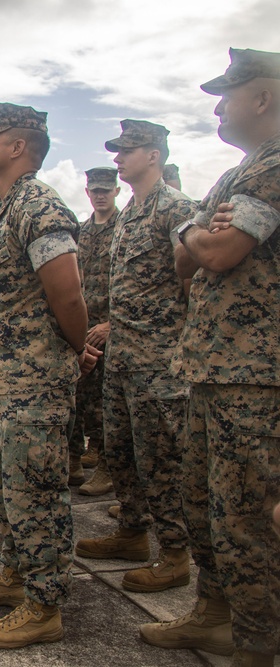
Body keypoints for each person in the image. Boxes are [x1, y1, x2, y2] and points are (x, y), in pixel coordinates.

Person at [141, 47, 280, 666]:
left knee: (246, 513)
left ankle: (258, 641)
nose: (219, 109)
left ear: (263, 97)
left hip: (256, 374)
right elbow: (185, 261)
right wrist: (198, 230)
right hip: (213, 368)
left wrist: (195, 232)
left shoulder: (274, 167)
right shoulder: (236, 175)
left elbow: (218, 255)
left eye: (227, 95)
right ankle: (214, 613)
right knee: (202, 503)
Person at [0, 103, 97, 649]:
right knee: (7, 488)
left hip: (33, 381)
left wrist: (72, 350)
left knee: (36, 491)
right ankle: (17, 576)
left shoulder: (39, 204)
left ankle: (45, 604)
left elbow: (68, 292)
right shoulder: (4, 207)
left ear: (17, 146)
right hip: (3, 380)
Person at [75, 120, 196, 594]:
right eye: (118, 150)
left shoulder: (178, 209)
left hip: (160, 362)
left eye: (130, 150)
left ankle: (174, 553)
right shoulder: (129, 215)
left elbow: (192, 284)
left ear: (155, 155)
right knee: (122, 453)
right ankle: (131, 532)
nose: (120, 158)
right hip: (124, 357)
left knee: (160, 461)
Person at [71, 167, 120, 495]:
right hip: (83, 328)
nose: (100, 195)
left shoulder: (124, 227)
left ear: (116, 190)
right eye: (94, 190)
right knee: (76, 398)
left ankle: (107, 466)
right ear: (87, 192)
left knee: (108, 404)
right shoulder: (81, 231)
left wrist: (112, 323)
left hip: (114, 328)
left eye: (106, 189)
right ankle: (73, 459)